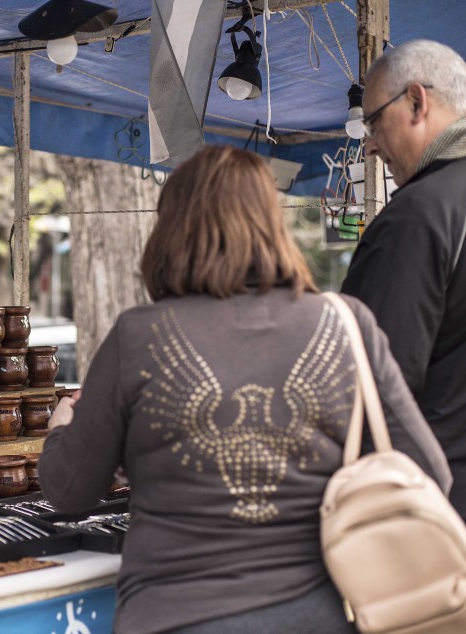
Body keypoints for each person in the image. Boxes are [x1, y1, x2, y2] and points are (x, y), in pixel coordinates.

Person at [38, 145, 450, 634]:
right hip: (316, 618)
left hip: (170, 617)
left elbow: (68, 490)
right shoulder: (347, 325)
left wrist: (60, 429)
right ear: (272, 225)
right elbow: (428, 473)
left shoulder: (140, 336)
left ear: (171, 232)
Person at [340, 40, 466, 515]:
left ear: (417, 101)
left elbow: (367, 391)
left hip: (439, 527)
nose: (370, 144)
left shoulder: (416, 217)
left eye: (373, 122)